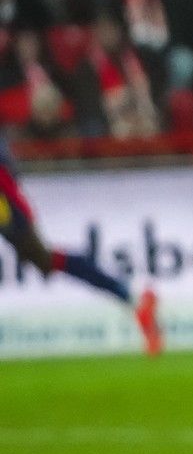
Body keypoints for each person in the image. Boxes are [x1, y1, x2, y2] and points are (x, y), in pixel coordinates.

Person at [0, 133, 163, 355]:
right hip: (10, 204)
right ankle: (131, 296)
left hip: (9, 207)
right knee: (47, 260)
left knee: (46, 260)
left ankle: (132, 296)